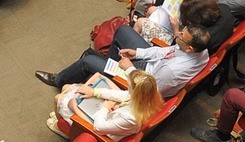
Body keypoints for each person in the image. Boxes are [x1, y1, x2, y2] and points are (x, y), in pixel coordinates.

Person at [43, 24, 210, 98]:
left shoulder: (172, 72)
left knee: (89, 62)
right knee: (123, 31)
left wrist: (129, 69)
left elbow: (147, 92)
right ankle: (107, 70)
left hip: (141, 82)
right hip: (151, 67)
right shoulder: (199, 49)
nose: (178, 35)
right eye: (181, 32)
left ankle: (59, 80)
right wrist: (137, 52)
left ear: (190, 49)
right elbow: (165, 51)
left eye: (181, 36)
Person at [51, 69, 162, 140]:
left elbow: (99, 128)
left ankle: (61, 126)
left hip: (102, 127)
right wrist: (94, 92)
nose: (127, 88)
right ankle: (63, 117)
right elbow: (120, 95)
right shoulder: (147, 96)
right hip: (110, 114)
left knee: (58, 98)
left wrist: (104, 109)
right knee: (67, 87)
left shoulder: (131, 118)